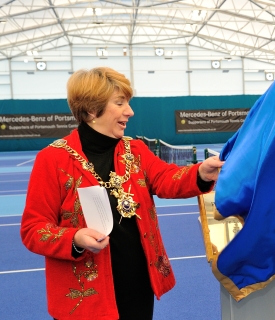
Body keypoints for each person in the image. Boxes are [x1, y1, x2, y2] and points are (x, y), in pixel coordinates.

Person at [20, 67, 224, 320]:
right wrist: (75, 238)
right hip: (84, 296)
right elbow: (33, 229)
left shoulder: (136, 150)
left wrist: (201, 173)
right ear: (92, 110)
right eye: (120, 103)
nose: (130, 111)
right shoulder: (52, 159)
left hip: (137, 285)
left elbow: (166, 179)